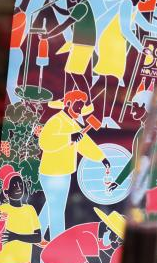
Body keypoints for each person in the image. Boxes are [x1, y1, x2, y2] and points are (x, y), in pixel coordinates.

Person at [36, 89, 110, 241]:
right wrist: (68, 137)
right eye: (78, 104)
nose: (80, 108)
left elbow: (84, 144)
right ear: (68, 103)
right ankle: (57, 242)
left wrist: (101, 158)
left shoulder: (72, 124)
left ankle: (37, 235)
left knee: (51, 206)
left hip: (64, 173)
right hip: (52, 173)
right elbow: (44, 141)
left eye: (82, 105)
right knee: (57, 209)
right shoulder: (57, 120)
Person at [44, 0, 96, 90]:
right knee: (71, 71)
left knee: (75, 72)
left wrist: (48, 35)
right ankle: (73, 97)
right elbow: (67, 12)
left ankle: (86, 99)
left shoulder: (82, 7)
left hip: (83, 44)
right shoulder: (81, 5)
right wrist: (54, 6)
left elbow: (64, 25)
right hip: (81, 43)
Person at [6, 0, 28, 105]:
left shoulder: (21, 15)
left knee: (11, 85)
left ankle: (19, 108)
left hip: (14, 52)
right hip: (11, 52)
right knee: (9, 85)